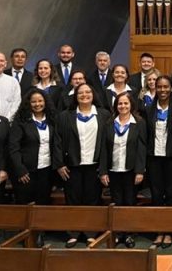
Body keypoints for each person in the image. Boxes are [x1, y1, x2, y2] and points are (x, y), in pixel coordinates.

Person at [53, 83, 110, 248]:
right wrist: (60, 164)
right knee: (73, 200)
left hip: (95, 165)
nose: (84, 95)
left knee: (93, 200)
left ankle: (91, 233)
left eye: (88, 92)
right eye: (80, 93)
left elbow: (107, 143)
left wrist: (104, 167)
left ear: (93, 95)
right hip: (72, 165)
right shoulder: (65, 116)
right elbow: (57, 141)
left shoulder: (104, 114)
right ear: (75, 96)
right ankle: (74, 232)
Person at [99, 91, 147, 248]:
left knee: (129, 202)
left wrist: (140, 170)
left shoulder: (139, 123)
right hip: (114, 170)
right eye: (120, 103)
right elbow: (104, 149)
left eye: (126, 103)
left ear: (131, 105)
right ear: (116, 106)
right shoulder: (109, 123)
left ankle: (129, 234)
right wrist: (103, 171)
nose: (123, 106)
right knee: (116, 202)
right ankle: (118, 233)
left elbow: (142, 148)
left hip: (131, 170)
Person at [144, 75, 172, 248]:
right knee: (157, 194)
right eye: (159, 87)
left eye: (166, 87)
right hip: (154, 158)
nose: (162, 90)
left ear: (171, 88)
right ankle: (159, 230)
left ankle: (171, 231)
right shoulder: (149, 109)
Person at [9, 89, 57, 206]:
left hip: (46, 170)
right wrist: (20, 170)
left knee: (43, 204)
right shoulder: (21, 121)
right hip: (26, 172)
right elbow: (13, 148)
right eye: (33, 102)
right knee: (26, 205)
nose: (37, 104)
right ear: (28, 104)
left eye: (40, 101)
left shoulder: (52, 120)